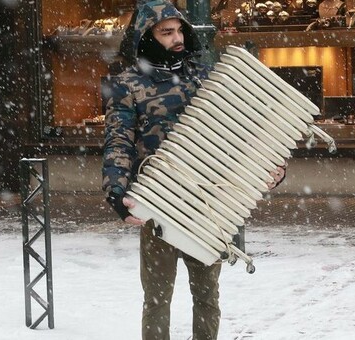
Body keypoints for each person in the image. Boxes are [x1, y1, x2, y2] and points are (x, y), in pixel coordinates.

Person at [102, 1, 286, 339]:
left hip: (207, 205)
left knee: (207, 296)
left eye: (179, 30)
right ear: (147, 37)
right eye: (166, 32)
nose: (176, 38)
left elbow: (240, 135)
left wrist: (271, 168)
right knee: (157, 299)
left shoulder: (205, 77)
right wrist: (116, 191)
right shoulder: (126, 84)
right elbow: (118, 142)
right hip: (158, 203)